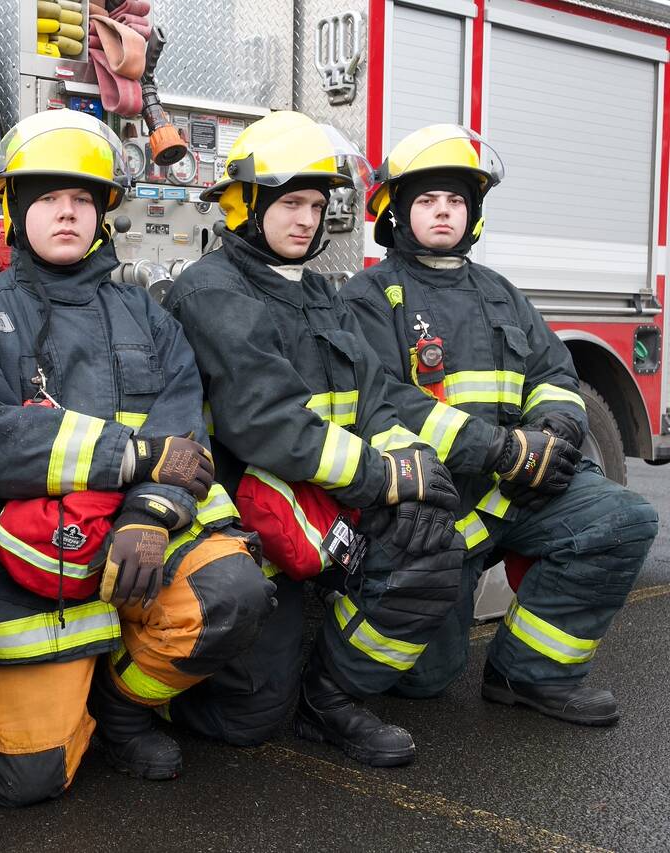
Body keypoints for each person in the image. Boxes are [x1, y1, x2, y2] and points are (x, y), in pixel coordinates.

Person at [0, 109, 275, 807]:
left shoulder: (148, 315)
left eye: (82, 199)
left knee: (234, 593)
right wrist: (135, 458)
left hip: (142, 540)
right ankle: (68, 692)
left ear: (103, 213)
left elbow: (186, 441)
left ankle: (120, 703)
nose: (67, 213)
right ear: (14, 207)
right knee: (22, 779)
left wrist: (151, 512)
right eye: (49, 198)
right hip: (33, 558)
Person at [164, 110, 467, 767]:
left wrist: (409, 458)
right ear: (246, 203)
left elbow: (375, 395)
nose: (307, 219)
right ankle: (165, 689)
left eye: (317, 205)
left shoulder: (322, 292)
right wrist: (387, 477)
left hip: (327, 504)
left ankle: (330, 694)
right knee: (247, 719)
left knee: (431, 538)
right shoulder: (212, 292)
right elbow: (269, 423)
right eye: (290, 203)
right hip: (253, 526)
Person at [340, 124, 658, 720]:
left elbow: (555, 374)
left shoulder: (500, 293)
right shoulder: (370, 297)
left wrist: (557, 431)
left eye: (456, 201)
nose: (443, 213)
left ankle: (530, 674)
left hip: (515, 495)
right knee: (424, 683)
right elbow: (379, 401)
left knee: (623, 518)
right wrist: (498, 449)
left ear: (473, 212)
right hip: (434, 510)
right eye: (427, 201)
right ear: (398, 212)